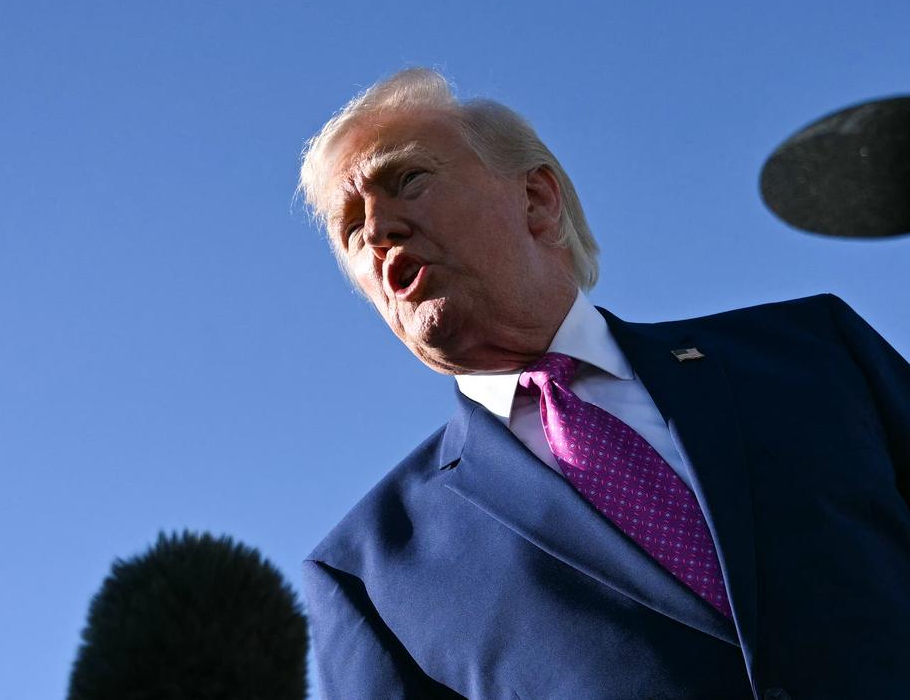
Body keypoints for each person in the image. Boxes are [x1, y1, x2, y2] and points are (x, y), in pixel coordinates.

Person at [297, 68, 910, 699]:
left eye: (408, 180)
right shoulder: (367, 574)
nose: (376, 230)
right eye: (350, 229)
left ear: (537, 199)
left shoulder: (817, 351)